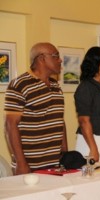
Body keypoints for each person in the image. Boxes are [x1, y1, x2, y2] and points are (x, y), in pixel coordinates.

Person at [4, 42, 67, 175]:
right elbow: (10, 125)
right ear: (42, 58)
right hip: (30, 165)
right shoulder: (19, 84)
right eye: (56, 56)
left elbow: (59, 120)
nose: (60, 60)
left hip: (55, 164)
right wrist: (21, 163)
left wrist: (65, 153)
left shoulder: (56, 85)